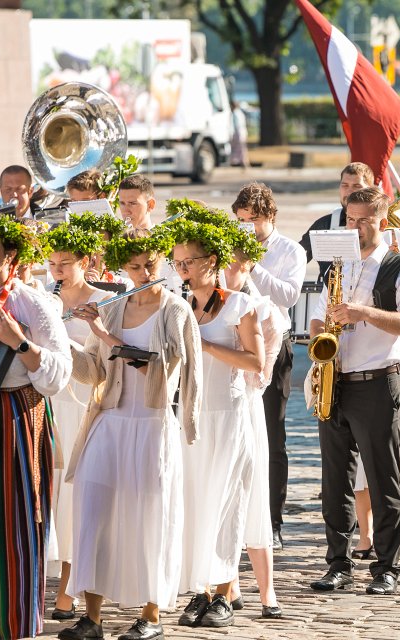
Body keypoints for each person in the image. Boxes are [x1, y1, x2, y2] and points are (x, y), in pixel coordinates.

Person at [60, 229, 202, 640]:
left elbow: (159, 365)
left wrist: (104, 334)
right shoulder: (115, 307)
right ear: (122, 266)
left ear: (163, 264)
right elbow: (94, 371)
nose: (142, 273)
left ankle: (151, 616)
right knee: (92, 513)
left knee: (149, 520)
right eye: (134, 266)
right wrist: (56, 338)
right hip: (108, 423)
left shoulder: (176, 311)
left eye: (150, 266)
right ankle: (92, 619)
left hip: (151, 427)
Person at [307, 186, 400, 595]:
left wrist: (363, 313)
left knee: (383, 477)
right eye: (351, 220)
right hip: (336, 381)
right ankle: (337, 563)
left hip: (378, 381)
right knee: (334, 479)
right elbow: (316, 322)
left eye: (365, 221)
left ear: (383, 222)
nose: (356, 228)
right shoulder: (338, 267)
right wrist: (321, 335)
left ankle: (387, 566)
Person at [0, 214, 71, 640]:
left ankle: (12, 623)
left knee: (13, 525)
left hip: (12, 419)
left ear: (10, 256)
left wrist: (20, 343)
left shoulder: (34, 303)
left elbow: (59, 375)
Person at [171, 220, 264, 628]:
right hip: (189, 416)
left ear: (211, 261)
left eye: (187, 262)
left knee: (226, 503)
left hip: (228, 414)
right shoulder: (177, 304)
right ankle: (200, 590)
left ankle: (226, 592)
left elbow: (254, 362)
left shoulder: (240, 305)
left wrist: (203, 345)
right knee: (193, 504)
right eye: (176, 263)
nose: (181, 270)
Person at [42, 224, 114, 622]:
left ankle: (73, 587)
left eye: (66, 263)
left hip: (88, 406)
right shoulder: (44, 300)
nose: (58, 271)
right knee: (50, 498)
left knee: (78, 498)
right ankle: (47, 581)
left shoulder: (105, 301)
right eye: (52, 264)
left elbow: (107, 363)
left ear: (85, 262)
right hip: (52, 405)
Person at [232, 182, 306, 550]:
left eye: (255, 220)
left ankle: (272, 522)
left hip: (275, 345)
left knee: (272, 436)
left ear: (270, 216)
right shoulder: (229, 242)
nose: (248, 227)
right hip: (236, 343)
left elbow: (289, 295)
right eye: (242, 220)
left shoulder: (289, 250)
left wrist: (252, 265)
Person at [223, 239, 286, 619]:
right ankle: (227, 585)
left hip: (244, 407)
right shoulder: (205, 305)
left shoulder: (264, 313)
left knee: (251, 494)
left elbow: (259, 375)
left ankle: (268, 592)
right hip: (213, 407)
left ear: (247, 269)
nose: (225, 275)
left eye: (233, 267)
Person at [299, 162, 375, 279]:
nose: (349, 192)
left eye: (356, 186)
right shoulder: (324, 225)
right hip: (328, 295)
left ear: (370, 190)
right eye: (345, 185)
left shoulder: (382, 225)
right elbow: (297, 257)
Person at [229, 101, 250, 169]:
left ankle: (240, 162)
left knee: (238, 148)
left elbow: (235, 125)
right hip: (243, 132)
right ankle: (243, 161)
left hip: (238, 132)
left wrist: (231, 134)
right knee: (242, 148)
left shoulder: (234, 113)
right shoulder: (240, 113)